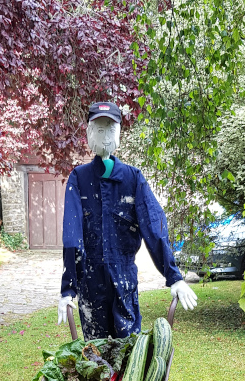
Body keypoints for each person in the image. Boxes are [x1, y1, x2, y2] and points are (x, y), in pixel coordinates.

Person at [58, 100, 197, 339]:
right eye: (99, 130)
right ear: (89, 133)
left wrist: (173, 276)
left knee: (129, 352)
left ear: (119, 133)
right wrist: (68, 289)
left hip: (125, 285)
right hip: (91, 288)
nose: (105, 136)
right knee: (96, 359)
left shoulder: (133, 179)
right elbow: (72, 238)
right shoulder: (79, 179)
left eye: (110, 130)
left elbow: (154, 227)